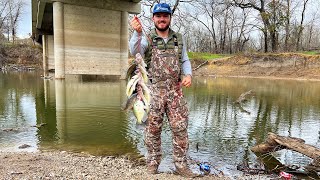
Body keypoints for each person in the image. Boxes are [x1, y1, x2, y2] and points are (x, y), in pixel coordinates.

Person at [129, 3, 196, 178]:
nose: (161, 19)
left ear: (169, 18)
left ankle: (181, 165)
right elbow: (135, 52)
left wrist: (187, 74)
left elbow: (185, 60)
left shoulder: (178, 38)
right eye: (158, 16)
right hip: (152, 92)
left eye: (165, 16)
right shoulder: (147, 37)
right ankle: (152, 163)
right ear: (153, 18)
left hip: (175, 92)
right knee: (151, 130)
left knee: (180, 129)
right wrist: (136, 33)